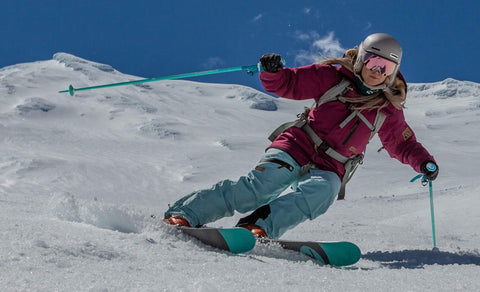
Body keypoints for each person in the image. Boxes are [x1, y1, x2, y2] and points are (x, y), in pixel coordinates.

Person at [164, 33, 438, 239]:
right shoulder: (332, 77)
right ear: (362, 58)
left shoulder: (387, 109)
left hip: (333, 165)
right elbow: (290, 83)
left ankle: (258, 227)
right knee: (259, 187)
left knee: (323, 192)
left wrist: (423, 163)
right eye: (373, 61)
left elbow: (403, 143)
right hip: (298, 144)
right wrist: (272, 72)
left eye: (386, 68)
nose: (377, 72)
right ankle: (185, 213)